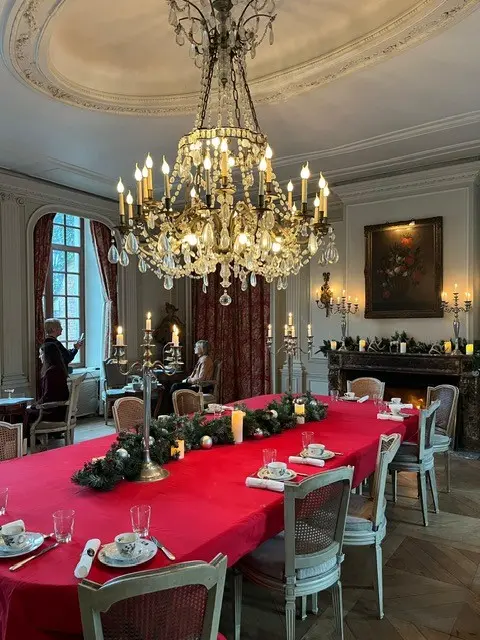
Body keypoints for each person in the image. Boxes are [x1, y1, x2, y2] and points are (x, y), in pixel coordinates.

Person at [24, 342, 70, 439]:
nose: (39, 357)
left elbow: (48, 397)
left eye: (41, 354)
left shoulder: (51, 372)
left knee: (26, 412)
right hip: (60, 409)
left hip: (54, 412)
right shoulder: (59, 369)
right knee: (29, 410)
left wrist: (34, 405)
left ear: (48, 356)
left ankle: (26, 441)